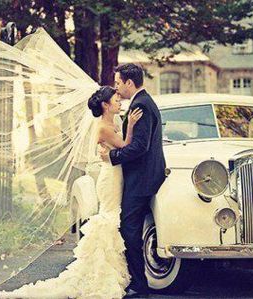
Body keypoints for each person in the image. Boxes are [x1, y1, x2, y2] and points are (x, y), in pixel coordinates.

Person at [0, 86, 143, 299]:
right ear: (105, 105)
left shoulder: (111, 123)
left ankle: (108, 270)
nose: (120, 101)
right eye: (116, 99)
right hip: (110, 177)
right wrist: (131, 125)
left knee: (112, 218)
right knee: (109, 219)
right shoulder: (103, 126)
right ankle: (98, 273)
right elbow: (126, 146)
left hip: (116, 174)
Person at [100, 63, 168, 298]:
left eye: (118, 83)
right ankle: (133, 279)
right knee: (129, 228)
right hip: (140, 175)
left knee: (130, 230)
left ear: (130, 82)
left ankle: (140, 284)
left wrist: (112, 156)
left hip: (142, 178)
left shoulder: (142, 105)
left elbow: (140, 147)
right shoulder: (142, 103)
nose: (116, 89)